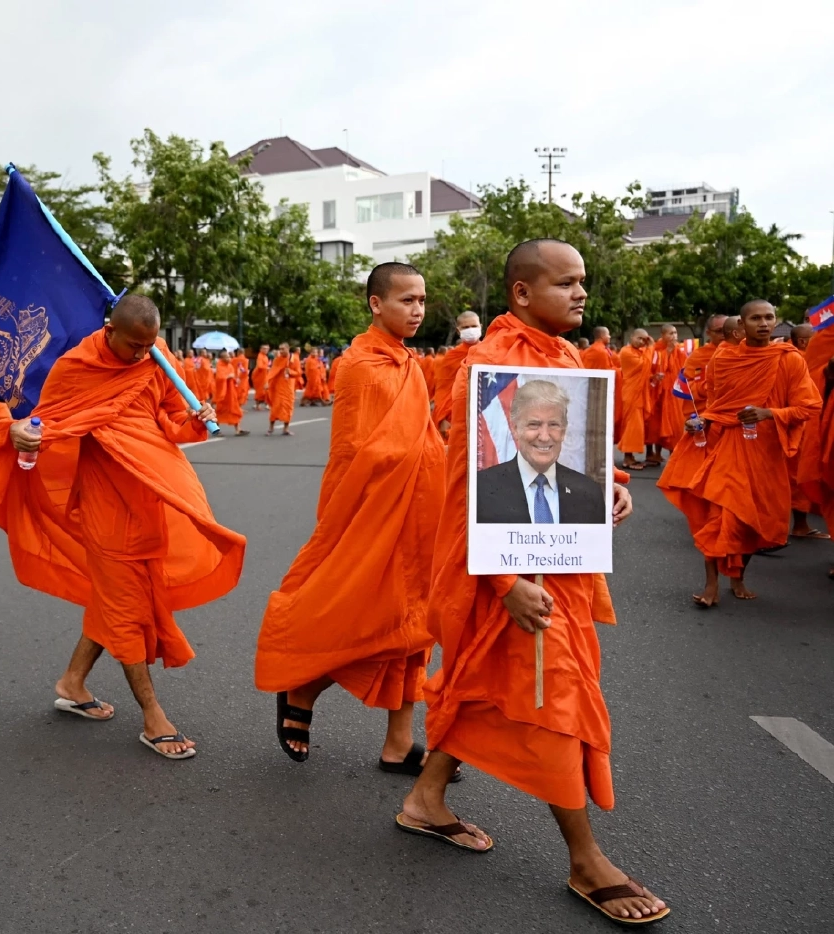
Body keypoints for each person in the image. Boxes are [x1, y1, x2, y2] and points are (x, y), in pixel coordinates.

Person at [397, 240, 664, 926]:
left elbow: (578, 451)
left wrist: (613, 488)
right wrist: (503, 580)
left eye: (584, 283)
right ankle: (585, 860)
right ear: (521, 293)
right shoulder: (490, 366)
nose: (582, 294)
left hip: (559, 561)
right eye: (566, 283)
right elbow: (469, 491)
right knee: (555, 699)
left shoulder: (568, 360)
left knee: (490, 685)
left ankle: (425, 799)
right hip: (512, 574)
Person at [0, 294, 245, 760]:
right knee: (126, 609)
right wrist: (13, 434)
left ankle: (72, 682)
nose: (142, 355)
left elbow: (171, 421)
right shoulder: (75, 367)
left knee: (117, 598)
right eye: (134, 345)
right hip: (102, 506)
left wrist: (198, 420)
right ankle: (153, 715)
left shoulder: (157, 360)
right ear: (109, 329)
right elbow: (43, 427)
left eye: (149, 345)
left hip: (149, 498)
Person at [256, 262, 447, 773]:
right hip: (375, 515)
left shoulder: (407, 362)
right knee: (369, 622)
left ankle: (399, 742)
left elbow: (424, 436)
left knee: (414, 627)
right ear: (375, 304)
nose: (418, 310)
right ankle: (303, 685)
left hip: (419, 514)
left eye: (422, 300)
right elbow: (355, 452)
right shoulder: (362, 364)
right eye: (406, 300)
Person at [658, 300, 821, 606]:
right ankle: (710, 585)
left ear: (775, 322)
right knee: (720, 514)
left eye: (769, 317)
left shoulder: (790, 359)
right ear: (741, 326)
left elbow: (810, 406)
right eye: (755, 318)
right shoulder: (724, 358)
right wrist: (701, 421)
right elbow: (716, 405)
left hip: (766, 451)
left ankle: (738, 577)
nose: (763, 323)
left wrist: (769, 413)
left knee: (750, 518)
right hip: (728, 444)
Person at [475, 379, 607, 524]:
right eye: (534, 424)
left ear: (563, 431)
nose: (544, 437)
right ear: (515, 429)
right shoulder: (480, 489)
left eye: (553, 425)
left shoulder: (589, 492)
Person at [785, 324, 826, 538]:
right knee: (800, 475)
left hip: (807, 423)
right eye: (815, 337)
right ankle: (800, 526)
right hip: (802, 425)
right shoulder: (799, 361)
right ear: (802, 342)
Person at [432, 312, 481, 441]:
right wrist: (442, 416)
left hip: (483, 414)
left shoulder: (491, 352)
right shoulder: (451, 357)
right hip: (455, 415)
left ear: (481, 327)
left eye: (474, 326)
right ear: (458, 331)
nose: (470, 330)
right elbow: (443, 388)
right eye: (465, 327)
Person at [646, 325, 686, 462]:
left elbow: (684, 369)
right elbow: (650, 368)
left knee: (675, 423)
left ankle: (674, 454)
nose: (674, 336)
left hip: (674, 392)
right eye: (670, 333)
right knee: (656, 423)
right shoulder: (656, 349)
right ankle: (653, 453)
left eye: (675, 333)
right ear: (663, 335)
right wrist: (667, 353)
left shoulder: (680, 350)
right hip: (658, 392)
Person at [616, 329, 652, 469]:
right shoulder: (626, 352)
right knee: (632, 427)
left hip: (638, 394)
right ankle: (627, 458)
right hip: (631, 394)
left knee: (634, 427)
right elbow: (644, 365)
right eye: (639, 338)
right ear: (631, 337)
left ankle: (630, 456)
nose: (642, 342)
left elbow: (646, 369)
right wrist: (650, 347)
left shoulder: (639, 352)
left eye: (644, 339)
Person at [213, 349, 249, 436]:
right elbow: (219, 378)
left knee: (234, 409)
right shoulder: (220, 365)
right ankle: (216, 430)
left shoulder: (230, 366)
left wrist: (234, 379)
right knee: (220, 411)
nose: (229, 358)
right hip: (223, 393)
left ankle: (238, 429)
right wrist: (228, 376)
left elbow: (233, 376)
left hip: (231, 392)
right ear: (222, 358)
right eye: (227, 357)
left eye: (229, 356)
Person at [267, 343, 297, 435]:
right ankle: (271, 428)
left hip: (288, 387)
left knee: (288, 407)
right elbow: (273, 371)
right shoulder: (277, 360)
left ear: (288, 348)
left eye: (283, 349)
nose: (281, 351)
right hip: (278, 386)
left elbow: (299, 372)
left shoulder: (294, 359)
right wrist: (267, 381)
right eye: (280, 349)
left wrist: (290, 371)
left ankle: (286, 428)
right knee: (275, 407)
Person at [252, 345, 271, 410]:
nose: (266, 350)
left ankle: (266, 404)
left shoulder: (265, 356)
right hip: (258, 376)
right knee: (261, 391)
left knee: (265, 390)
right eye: (264, 349)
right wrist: (267, 368)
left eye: (267, 349)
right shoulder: (260, 356)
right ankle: (258, 405)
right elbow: (260, 366)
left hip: (264, 375)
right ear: (260, 349)